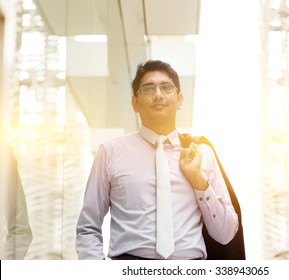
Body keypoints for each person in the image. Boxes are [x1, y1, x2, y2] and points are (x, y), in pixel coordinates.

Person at [76, 59, 239, 260]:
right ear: (135, 103)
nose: (158, 95)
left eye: (166, 87)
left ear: (180, 100)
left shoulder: (201, 153)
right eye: (147, 89)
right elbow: (87, 227)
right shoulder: (110, 152)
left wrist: (198, 180)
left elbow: (225, 234)